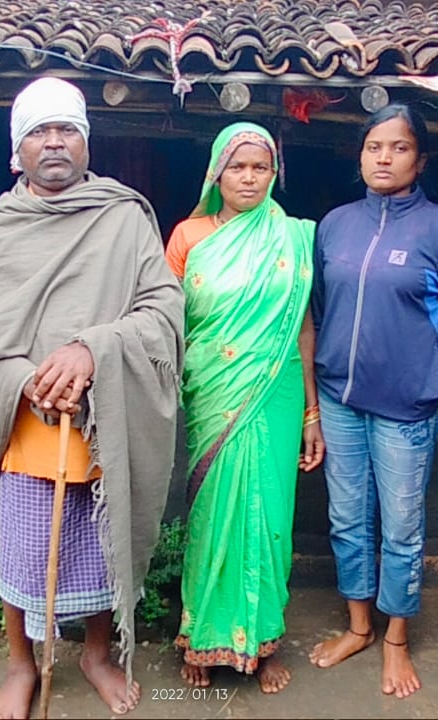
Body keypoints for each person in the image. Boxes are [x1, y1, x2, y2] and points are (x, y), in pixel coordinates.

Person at [0, 77, 184, 719]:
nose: (54, 141)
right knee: (23, 545)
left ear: (86, 142)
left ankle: (97, 654)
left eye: (67, 130)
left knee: (104, 541)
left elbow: (164, 305)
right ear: (16, 150)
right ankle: (20, 664)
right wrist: (29, 380)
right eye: (38, 131)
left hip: (106, 414)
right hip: (29, 418)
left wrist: (93, 349)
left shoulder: (123, 217)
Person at [306, 104, 438, 699]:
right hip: (339, 397)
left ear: (420, 159)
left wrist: (412, 352)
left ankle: (396, 639)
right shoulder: (334, 225)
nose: (384, 158)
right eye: (374, 147)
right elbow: (323, 308)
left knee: (402, 528)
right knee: (347, 519)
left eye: (399, 148)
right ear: (359, 156)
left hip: (406, 406)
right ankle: (358, 627)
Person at [164, 122, 325, 695]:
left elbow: (302, 325)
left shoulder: (294, 237)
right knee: (211, 519)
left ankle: (262, 642)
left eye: (261, 167)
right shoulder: (188, 236)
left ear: (274, 173)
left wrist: (311, 411)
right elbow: (165, 323)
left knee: (270, 517)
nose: (250, 177)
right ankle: (201, 637)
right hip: (212, 393)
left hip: (276, 396)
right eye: (239, 167)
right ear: (217, 173)